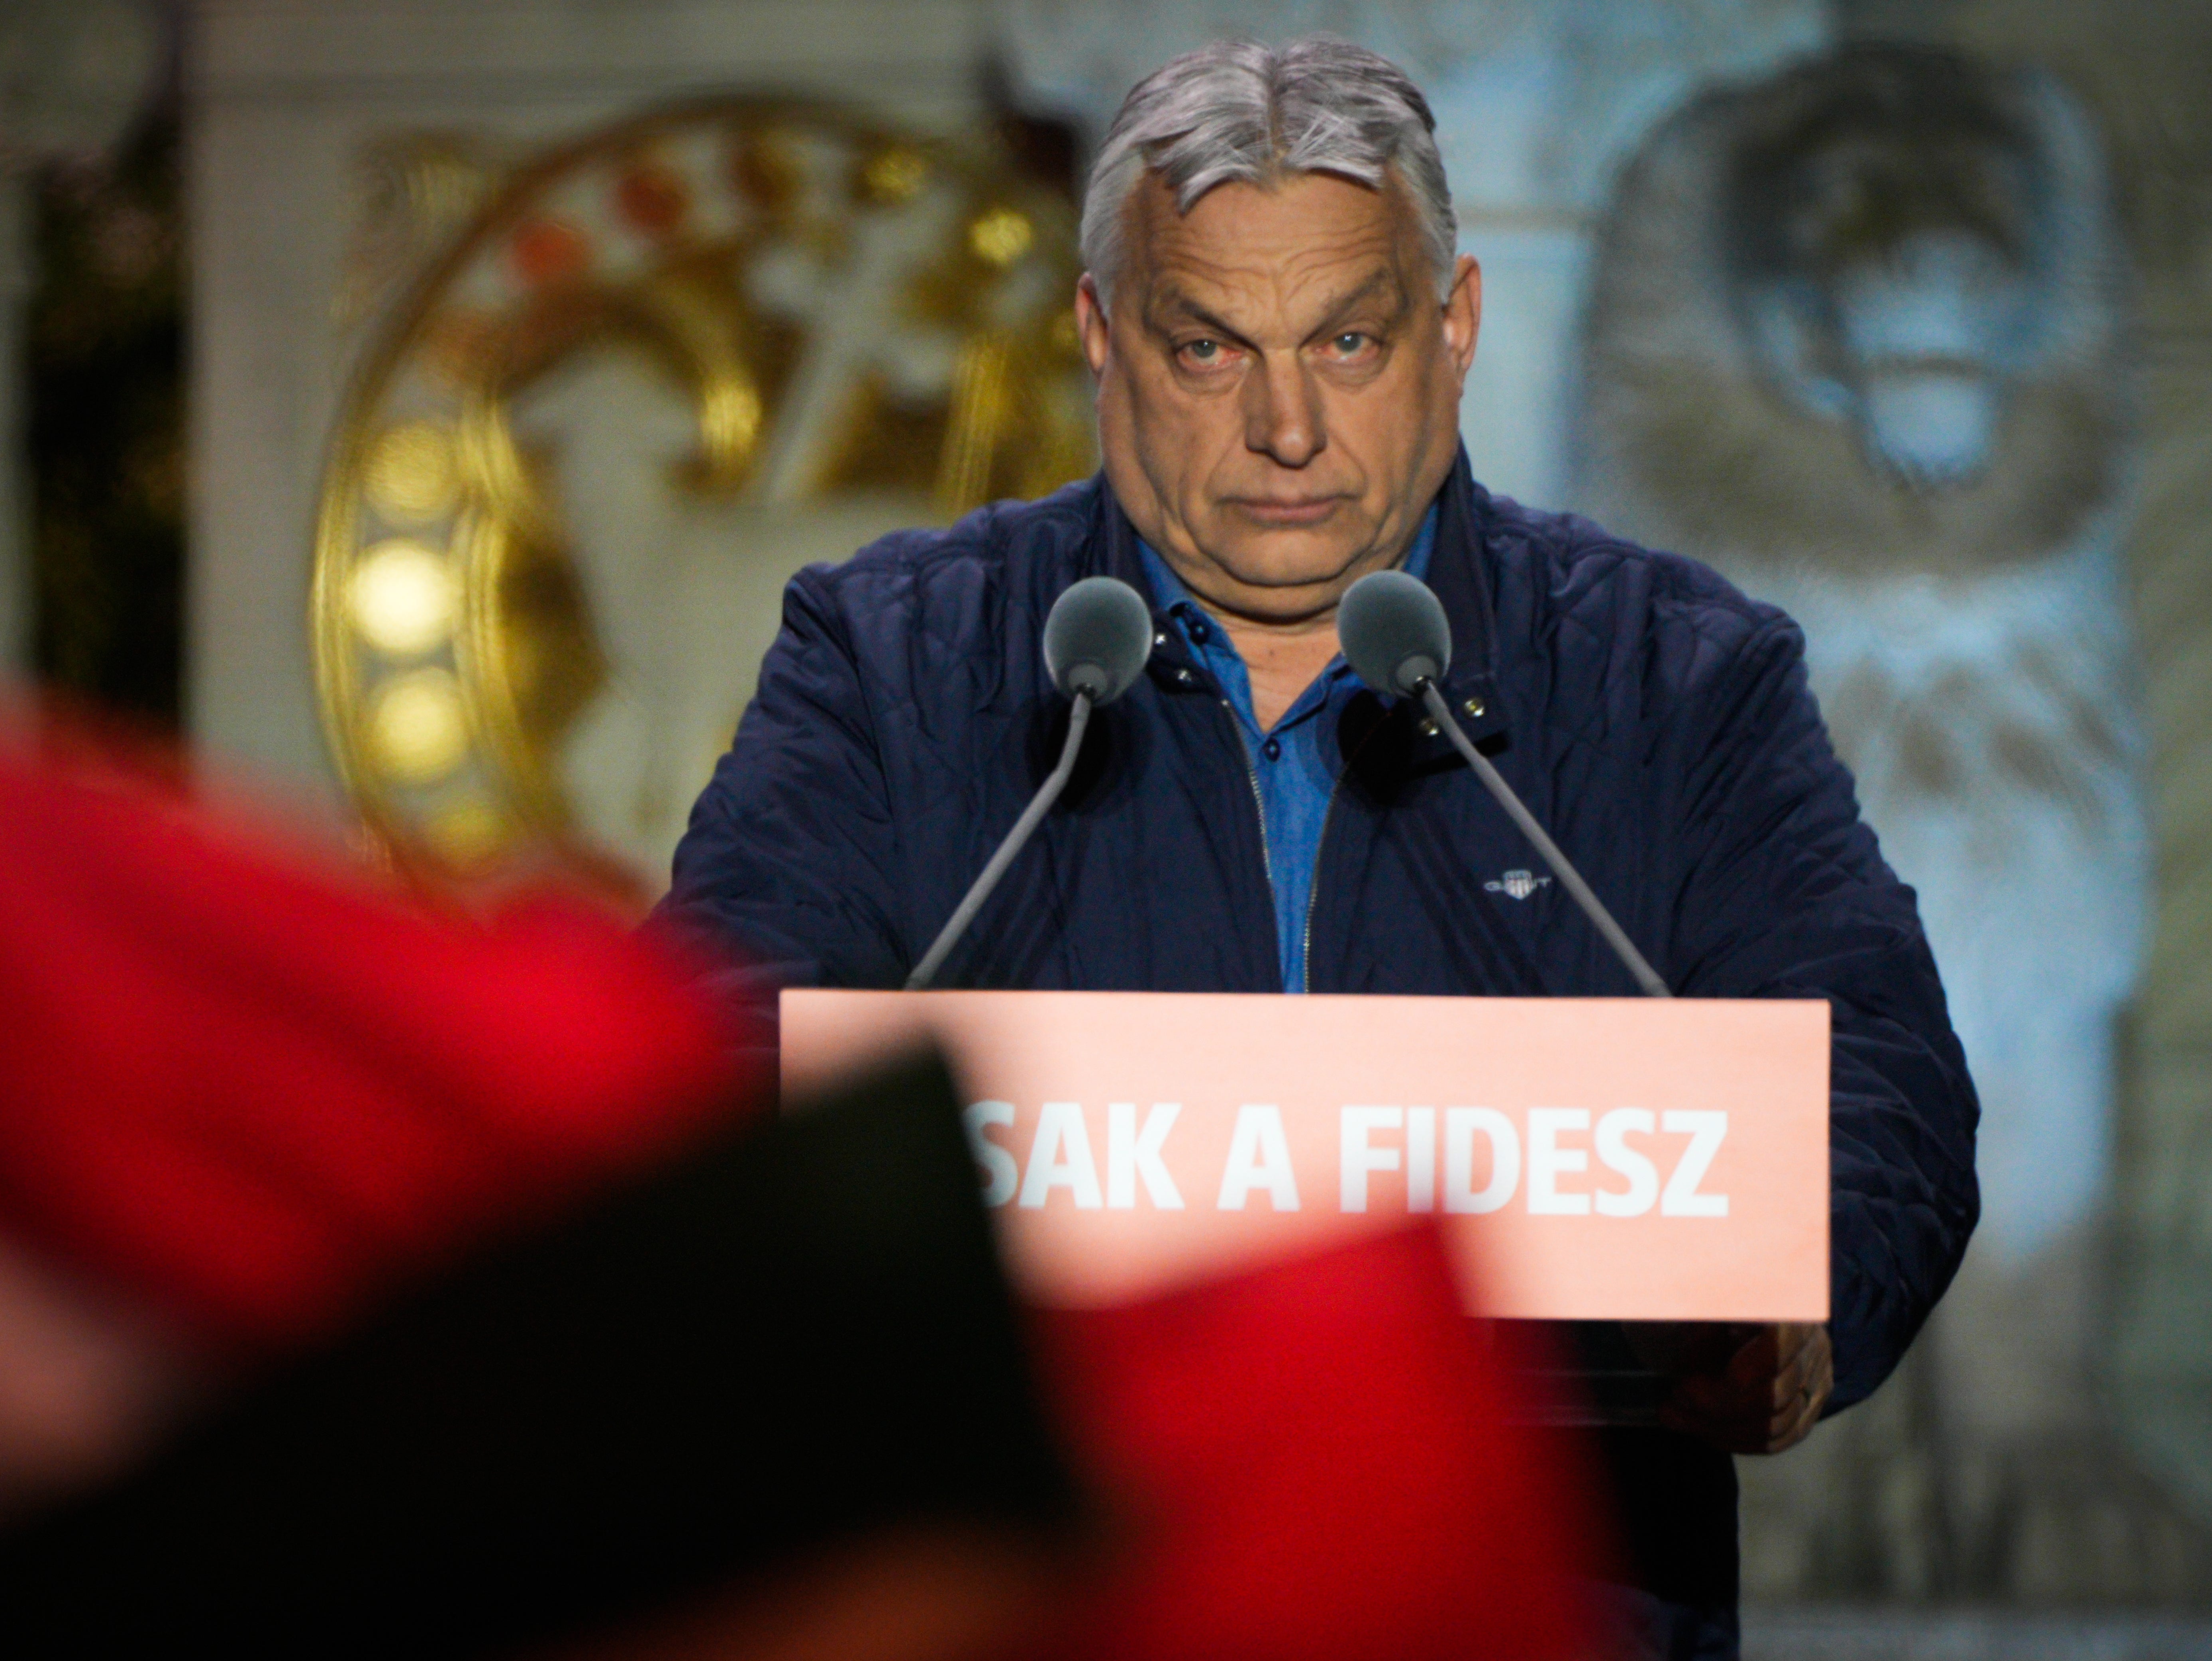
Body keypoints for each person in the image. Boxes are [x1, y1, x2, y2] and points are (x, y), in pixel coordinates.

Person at [659, 35, 1979, 1660]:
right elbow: (708, 1058)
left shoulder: (1674, 675)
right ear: (1101, 339)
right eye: (1208, 347)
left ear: (1455, 328)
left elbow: (1873, 1071)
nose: (1287, 426)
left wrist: (1799, 1295)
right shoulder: (891, 661)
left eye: (1349, 340)